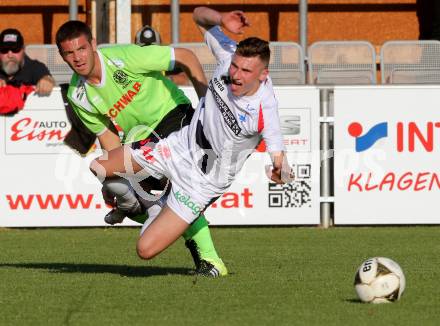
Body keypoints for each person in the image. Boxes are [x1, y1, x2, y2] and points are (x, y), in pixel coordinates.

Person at [89, 7, 294, 275]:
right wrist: (221, 19)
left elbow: (281, 160)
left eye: (246, 70)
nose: (236, 74)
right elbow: (198, 15)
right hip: (175, 148)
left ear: (263, 75)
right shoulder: (227, 55)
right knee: (101, 167)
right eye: (235, 66)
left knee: (145, 250)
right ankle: (152, 207)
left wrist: (281, 172)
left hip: (201, 182)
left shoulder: (265, 111)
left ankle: (161, 213)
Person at [55, 20, 227, 277]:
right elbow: (108, 138)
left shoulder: (122, 57)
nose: (77, 58)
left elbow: (185, 57)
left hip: (174, 120)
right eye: (69, 53)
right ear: (62, 56)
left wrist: (206, 103)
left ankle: (209, 259)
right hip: (143, 142)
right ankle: (157, 213)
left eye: (81, 49)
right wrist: (119, 178)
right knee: (108, 176)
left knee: (172, 194)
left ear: (93, 45)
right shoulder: (78, 95)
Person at [0, 28, 55, 95]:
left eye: (15, 49)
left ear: (23, 49)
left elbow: (47, 78)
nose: (10, 55)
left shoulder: (35, 68)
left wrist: (47, 81)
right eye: (4, 50)